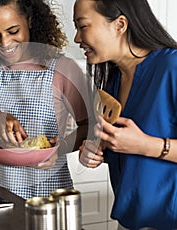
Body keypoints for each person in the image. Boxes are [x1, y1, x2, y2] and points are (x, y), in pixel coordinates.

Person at [0, 0, 90, 204]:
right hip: (1, 192)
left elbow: (89, 126)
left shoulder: (64, 68)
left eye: (13, 31)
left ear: (29, 21)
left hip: (51, 193)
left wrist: (60, 148)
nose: (5, 43)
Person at [73, 0, 177, 229]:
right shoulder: (114, 81)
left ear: (120, 24)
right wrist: (95, 151)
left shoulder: (172, 67)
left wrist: (147, 145)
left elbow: (141, 145)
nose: (77, 39)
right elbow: (125, 154)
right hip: (129, 222)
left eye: (83, 26)